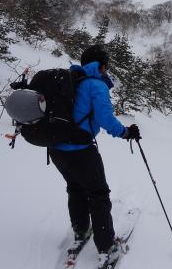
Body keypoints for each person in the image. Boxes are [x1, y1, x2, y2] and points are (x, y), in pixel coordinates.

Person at [49, 44, 141, 261]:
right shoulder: (96, 85)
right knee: (98, 195)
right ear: (101, 66)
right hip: (81, 151)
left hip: (56, 149)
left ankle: (81, 231)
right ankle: (107, 248)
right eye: (106, 66)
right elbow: (105, 119)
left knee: (75, 188)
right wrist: (126, 132)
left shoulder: (71, 80)